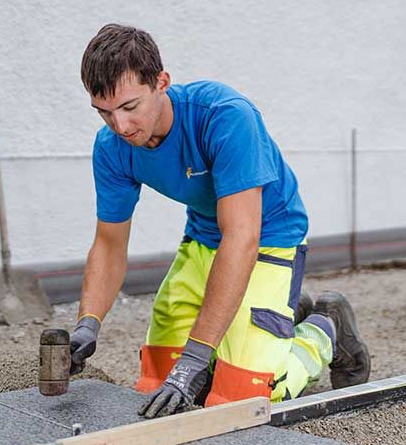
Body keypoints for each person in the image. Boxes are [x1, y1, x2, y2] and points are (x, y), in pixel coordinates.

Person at [66, 24, 370, 418]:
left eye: (129, 107)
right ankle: (272, 317)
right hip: (204, 237)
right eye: (104, 112)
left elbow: (243, 236)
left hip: (268, 236)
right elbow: (109, 242)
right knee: (159, 382)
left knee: (244, 399)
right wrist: (87, 325)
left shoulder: (225, 117)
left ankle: (323, 329)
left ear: (161, 82)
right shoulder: (112, 148)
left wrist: (196, 355)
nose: (120, 127)